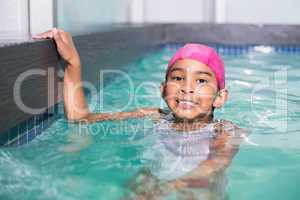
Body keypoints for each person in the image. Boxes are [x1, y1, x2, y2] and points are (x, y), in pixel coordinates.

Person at [33, 29, 249, 199]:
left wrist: (174, 183)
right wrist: (73, 64)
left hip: (200, 184)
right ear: (163, 89)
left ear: (220, 97)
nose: (187, 88)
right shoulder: (155, 115)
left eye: (201, 80)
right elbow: (81, 119)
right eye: (177, 78)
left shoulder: (225, 131)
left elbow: (215, 164)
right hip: (155, 179)